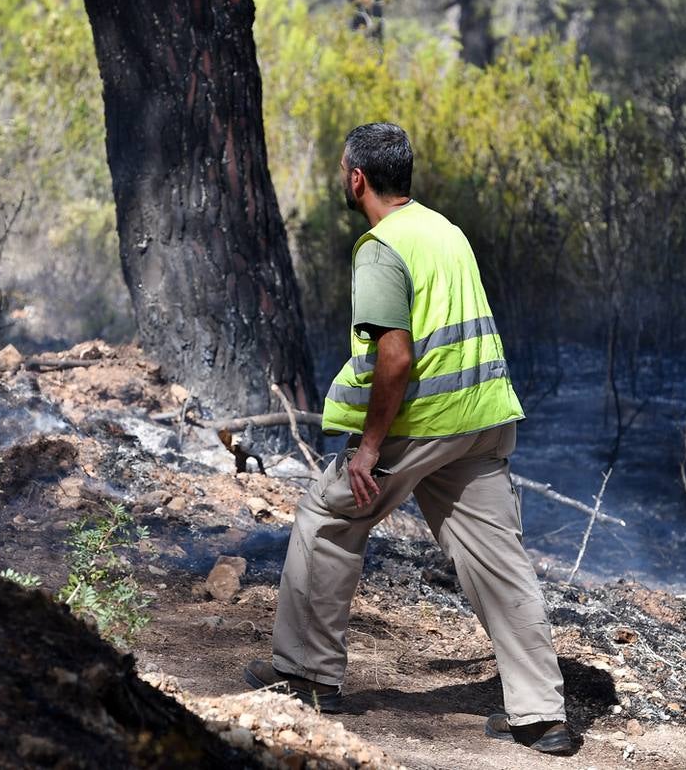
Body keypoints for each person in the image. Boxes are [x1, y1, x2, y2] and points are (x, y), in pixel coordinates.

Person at [242, 123, 572, 756]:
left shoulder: (381, 247)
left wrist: (369, 446)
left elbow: (393, 360)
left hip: (423, 424)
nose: (343, 178)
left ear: (357, 178)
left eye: (344, 170)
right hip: (485, 419)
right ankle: (540, 717)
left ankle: (307, 675)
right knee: (498, 563)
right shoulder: (445, 231)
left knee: (326, 518)